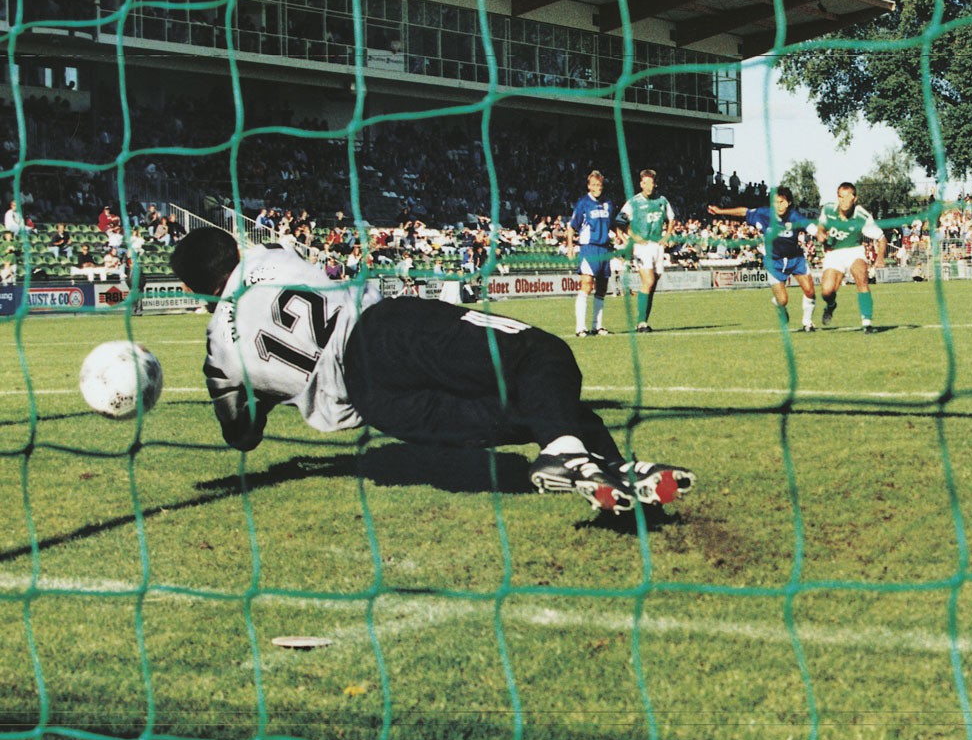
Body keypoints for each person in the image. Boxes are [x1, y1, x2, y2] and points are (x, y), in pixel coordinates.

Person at [170, 227, 695, 514]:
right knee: (542, 356)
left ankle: (595, 464)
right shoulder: (270, 252)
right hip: (388, 332)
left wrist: (260, 395)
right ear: (235, 250)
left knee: (518, 415)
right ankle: (571, 454)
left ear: (198, 290)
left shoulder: (219, 348)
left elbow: (241, 435)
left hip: (374, 402)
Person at [708, 186, 818, 331]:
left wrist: (823, 236)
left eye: (781, 202)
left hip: (795, 258)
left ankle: (807, 323)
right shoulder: (764, 214)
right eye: (775, 202)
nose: (778, 205)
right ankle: (780, 307)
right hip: (774, 262)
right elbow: (744, 211)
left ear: (789, 203)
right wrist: (721, 211)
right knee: (783, 300)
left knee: (810, 291)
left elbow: (813, 228)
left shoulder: (795, 217)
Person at [815, 182, 887, 333]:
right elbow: (821, 226)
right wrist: (820, 233)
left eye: (848, 197)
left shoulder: (862, 216)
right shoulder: (828, 209)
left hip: (855, 250)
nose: (844, 201)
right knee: (826, 292)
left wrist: (880, 258)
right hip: (833, 253)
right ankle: (831, 305)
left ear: (855, 199)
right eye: (841, 197)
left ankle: (867, 323)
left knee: (861, 276)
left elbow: (881, 238)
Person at [614, 169, 676, 333]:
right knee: (648, 281)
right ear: (641, 184)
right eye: (645, 183)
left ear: (655, 183)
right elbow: (620, 221)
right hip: (642, 247)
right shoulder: (634, 202)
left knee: (653, 284)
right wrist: (632, 236)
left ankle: (643, 321)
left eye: (651, 182)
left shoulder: (662, 201)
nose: (649, 186)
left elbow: (672, 218)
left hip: (657, 246)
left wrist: (667, 235)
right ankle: (641, 322)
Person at [566, 170, 615, 337]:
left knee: (602, 288)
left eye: (599, 185)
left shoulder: (609, 203)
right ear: (588, 186)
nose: (597, 188)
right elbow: (572, 226)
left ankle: (597, 326)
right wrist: (571, 245)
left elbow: (614, 224)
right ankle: (580, 327)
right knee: (586, 284)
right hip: (589, 248)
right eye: (594, 185)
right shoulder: (583, 203)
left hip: (604, 248)